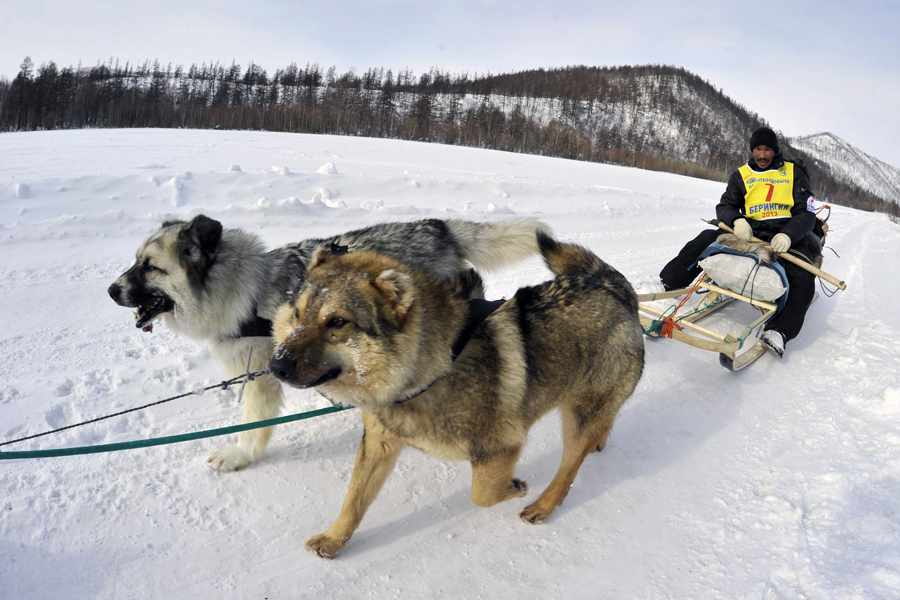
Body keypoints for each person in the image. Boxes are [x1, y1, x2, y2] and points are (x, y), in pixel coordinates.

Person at [659, 127, 822, 358]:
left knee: (804, 274)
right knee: (705, 238)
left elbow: (807, 213)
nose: (762, 155)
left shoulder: (795, 173)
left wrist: (788, 234)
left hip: (785, 235)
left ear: (775, 151)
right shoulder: (741, 175)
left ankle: (779, 331)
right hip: (752, 231)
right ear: (752, 150)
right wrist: (736, 220)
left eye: (767, 149)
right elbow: (725, 205)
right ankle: (668, 283)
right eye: (757, 149)